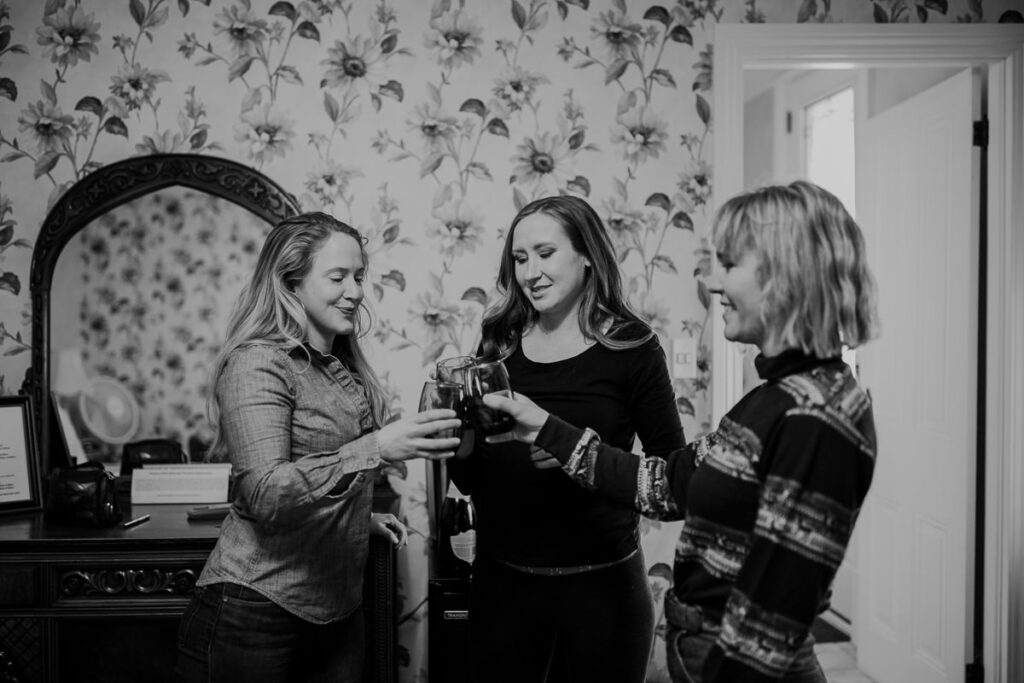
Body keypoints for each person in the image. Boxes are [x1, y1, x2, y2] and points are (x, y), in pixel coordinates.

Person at [484, 180, 880, 683]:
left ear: (788, 275)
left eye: (730, 266)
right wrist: (551, 433)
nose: (713, 284)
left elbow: (773, 617)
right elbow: (671, 484)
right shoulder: (774, 397)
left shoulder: (814, 414)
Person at [175, 212, 461, 683]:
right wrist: (375, 448)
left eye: (359, 276)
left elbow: (315, 473)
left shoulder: (341, 364)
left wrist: (359, 518)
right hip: (256, 609)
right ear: (291, 283)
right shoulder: (257, 364)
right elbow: (266, 493)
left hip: (337, 612)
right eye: (338, 277)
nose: (355, 291)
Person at [446, 195, 685, 683]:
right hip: (503, 588)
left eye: (545, 253)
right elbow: (469, 477)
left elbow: (671, 477)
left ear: (587, 256)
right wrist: (455, 432)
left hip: (604, 592)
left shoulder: (633, 348)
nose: (530, 272)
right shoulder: (500, 339)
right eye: (519, 258)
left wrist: (579, 452)